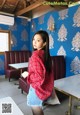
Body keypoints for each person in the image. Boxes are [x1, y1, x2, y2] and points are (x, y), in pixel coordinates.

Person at [26, 30, 54, 115]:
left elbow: (39, 77)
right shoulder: (46, 55)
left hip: (36, 89)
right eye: (34, 39)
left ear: (45, 43)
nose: (34, 42)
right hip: (44, 88)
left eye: (38, 40)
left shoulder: (35, 55)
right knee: (38, 109)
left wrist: (28, 75)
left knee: (36, 110)